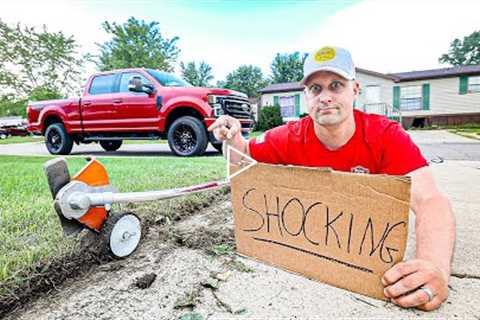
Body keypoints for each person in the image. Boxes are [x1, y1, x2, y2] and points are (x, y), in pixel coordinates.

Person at [208, 46, 455, 311]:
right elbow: (243, 157)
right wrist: (232, 139)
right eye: (316, 89)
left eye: (336, 85)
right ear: (306, 97)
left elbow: (430, 200)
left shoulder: (386, 136)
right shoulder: (289, 136)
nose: (325, 97)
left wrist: (434, 265)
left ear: (355, 90)